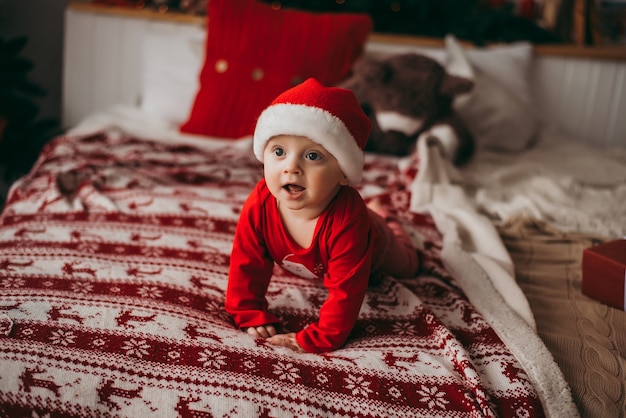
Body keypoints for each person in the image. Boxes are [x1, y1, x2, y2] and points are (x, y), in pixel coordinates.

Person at [225, 78, 421, 353]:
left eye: (313, 156)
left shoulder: (348, 222)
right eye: (279, 152)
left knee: (412, 265)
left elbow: (346, 293)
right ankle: (378, 210)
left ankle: (387, 218)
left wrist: (316, 338)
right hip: (318, 262)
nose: (291, 167)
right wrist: (247, 311)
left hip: (378, 246)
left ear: (343, 172)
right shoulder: (260, 204)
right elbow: (247, 262)